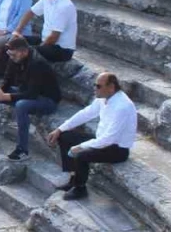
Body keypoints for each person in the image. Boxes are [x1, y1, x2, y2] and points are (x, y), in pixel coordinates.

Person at [47, 72, 137, 200]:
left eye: (98, 86)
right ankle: (73, 178)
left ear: (111, 87)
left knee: (81, 154)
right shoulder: (103, 98)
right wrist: (60, 129)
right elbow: (86, 113)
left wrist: (81, 146)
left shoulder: (122, 107)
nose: (95, 88)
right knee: (64, 136)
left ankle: (80, 188)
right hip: (102, 141)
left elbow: (109, 139)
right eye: (95, 85)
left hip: (117, 149)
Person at [0, 35, 61, 161]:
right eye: (9, 54)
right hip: (26, 91)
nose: (11, 57)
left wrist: (6, 96)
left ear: (24, 52)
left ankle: (22, 150)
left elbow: (32, 94)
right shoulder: (14, 58)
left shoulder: (37, 64)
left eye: (13, 55)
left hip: (46, 99)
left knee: (21, 105)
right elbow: (7, 80)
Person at [11, 0, 78, 63]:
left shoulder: (64, 6)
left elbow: (54, 37)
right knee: (15, 42)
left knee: (27, 53)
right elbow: (30, 12)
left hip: (61, 49)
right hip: (46, 41)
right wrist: (17, 31)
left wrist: (36, 50)